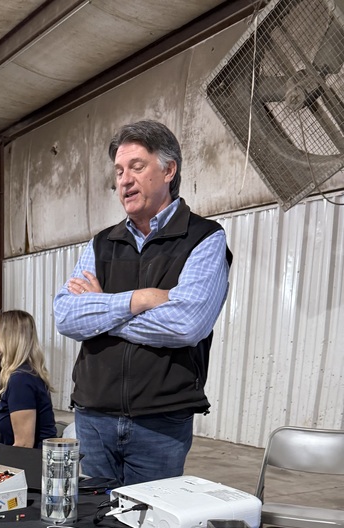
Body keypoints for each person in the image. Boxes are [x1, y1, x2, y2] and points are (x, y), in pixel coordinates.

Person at [53, 119, 231, 485]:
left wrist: (102, 307)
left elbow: (185, 325)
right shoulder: (101, 243)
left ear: (169, 170)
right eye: (118, 171)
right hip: (93, 418)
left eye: (137, 167)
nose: (124, 180)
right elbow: (66, 316)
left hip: (160, 422)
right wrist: (140, 299)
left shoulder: (203, 238)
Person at [0, 309, 56, 448]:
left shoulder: (21, 380)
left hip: (32, 465)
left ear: (10, 337)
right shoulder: (23, 374)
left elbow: (24, 445)